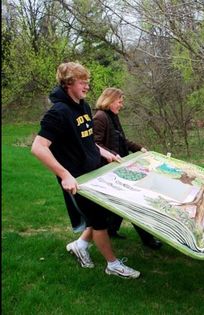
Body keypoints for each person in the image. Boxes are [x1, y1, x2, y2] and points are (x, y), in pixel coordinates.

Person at [31, 62, 140, 279]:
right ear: (69, 83)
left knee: (105, 211)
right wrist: (64, 175)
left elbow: (88, 140)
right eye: (83, 82)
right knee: (99, 221)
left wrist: (104, 153)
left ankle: (80, 245)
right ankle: (113, 264)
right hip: (77, 178)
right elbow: (38, 147)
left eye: (87, 82)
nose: (87, 86)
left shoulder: (84, 106)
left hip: (95, 170)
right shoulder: (58, 113)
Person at [93, 87, 162, 250]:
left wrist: (140, 148)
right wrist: (112, 156)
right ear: (109, 100)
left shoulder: (112, 117)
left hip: (121, 166)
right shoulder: (100, 117)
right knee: (133, 202)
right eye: (119, 101)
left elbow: (122, 140)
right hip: (110, 169)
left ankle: (110, 230)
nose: (121, 105)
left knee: (119, 203)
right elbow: (95, 144)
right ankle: (148, 239)